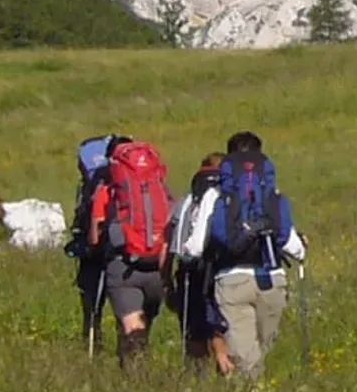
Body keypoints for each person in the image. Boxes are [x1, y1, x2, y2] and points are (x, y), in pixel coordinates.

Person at [178, 129, 302, 378]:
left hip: (232, 279)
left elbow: (194, 247)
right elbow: (292, 245)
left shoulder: (215, 195)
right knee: (259, 352)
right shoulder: (273, 196)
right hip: (271, 279)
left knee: (246, 358)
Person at [74, 134, 177, 364]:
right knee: (144, 326)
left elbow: (93, 237)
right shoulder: (157, 185)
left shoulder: (107, 188)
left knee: (132, 328)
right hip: (157, 267)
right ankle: (137, 367)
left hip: (124, 266)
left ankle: (134, 377)